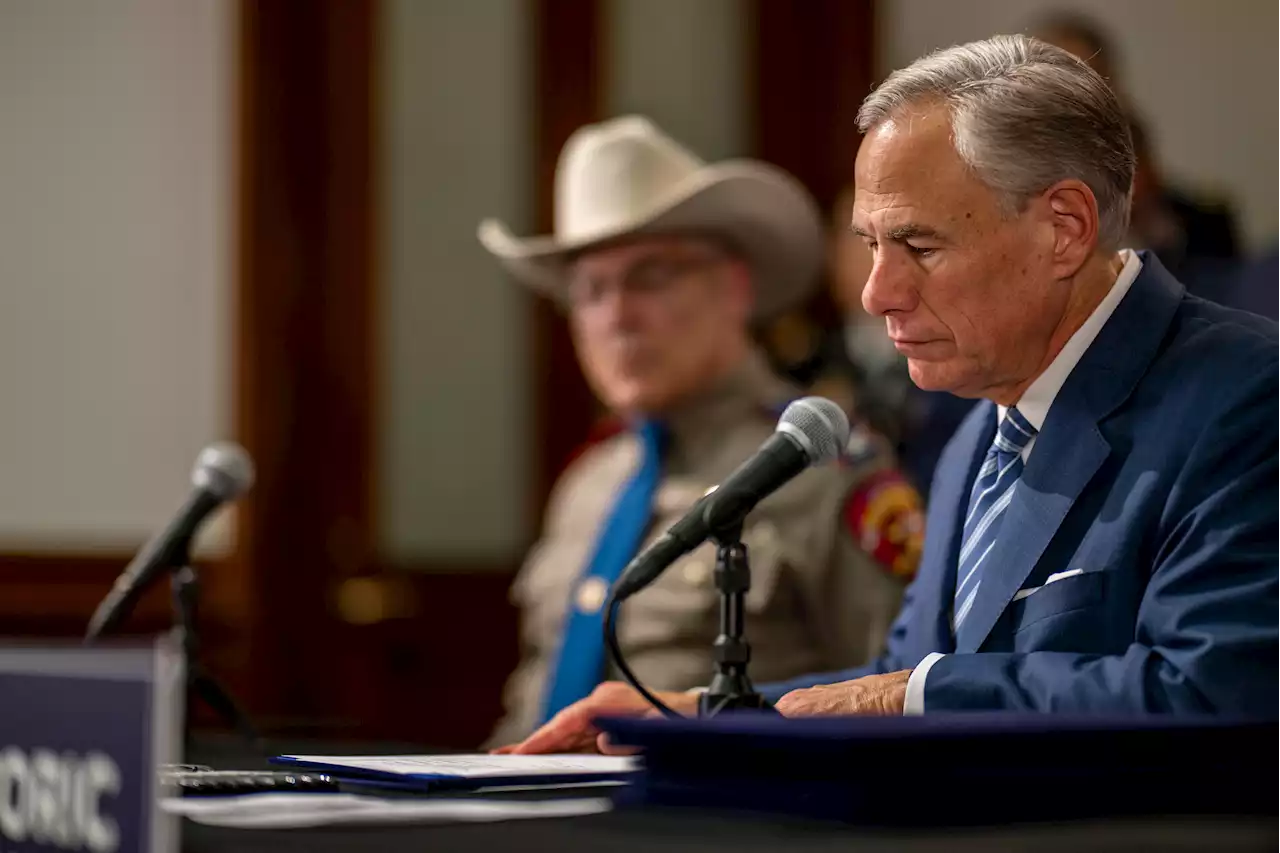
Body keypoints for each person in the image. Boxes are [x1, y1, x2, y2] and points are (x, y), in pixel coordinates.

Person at [499, 36, 1280, 755]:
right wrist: (702, 716)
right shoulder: (982, 430)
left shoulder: (1247, 397)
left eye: (919, 245)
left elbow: (1218, 695)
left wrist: (918, 691)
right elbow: (896, 677)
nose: (876, 293)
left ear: (1065, 228)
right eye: (871, 245)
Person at [476, 116, 922, 747]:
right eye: (590, 289)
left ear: (735, 287)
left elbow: (894, 698)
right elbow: (530, 707)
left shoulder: (821, 467)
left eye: (651, 276)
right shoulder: (591, 480)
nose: (617, 315)